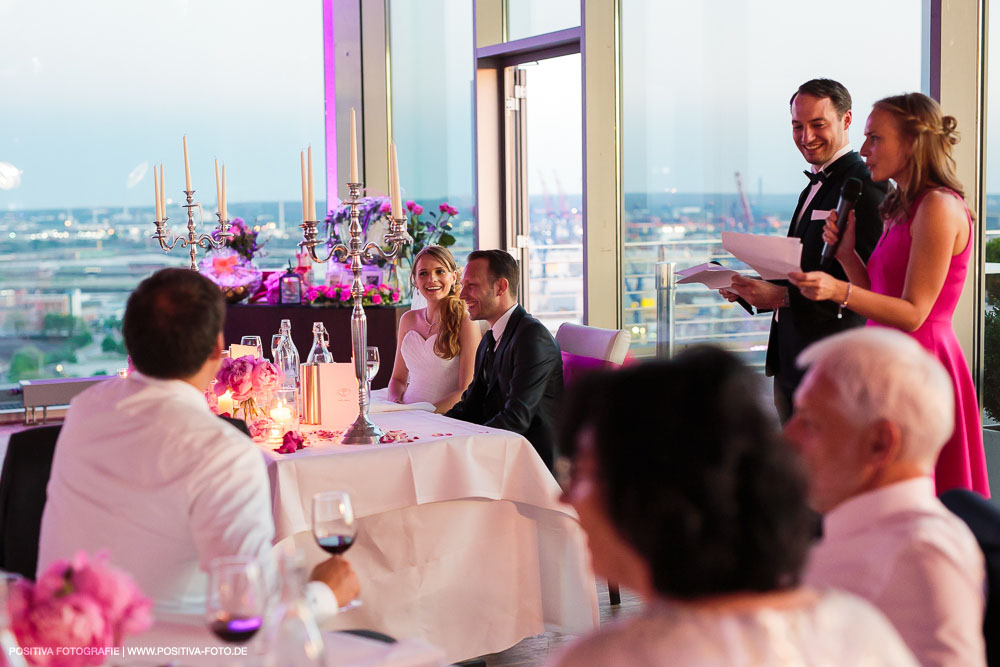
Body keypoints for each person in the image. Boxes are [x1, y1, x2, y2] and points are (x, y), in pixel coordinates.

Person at [549, 348, 918, 666]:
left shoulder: (609, 658)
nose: (562, 497)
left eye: (580, 472)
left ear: (651, 494)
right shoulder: (859, 627)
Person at [37, 268, 360, 617]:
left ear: (130, 342)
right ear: (218, 348)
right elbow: (252, 614)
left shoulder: (85, 409)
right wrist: (325, 594)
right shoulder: (224, 454)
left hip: (61, 642)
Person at [789, 92, 989, 496]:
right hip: (891, 357)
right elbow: (878, 297)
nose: (863, 150)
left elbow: (914, 313)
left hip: (923, 361)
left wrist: (835, 288)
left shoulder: (938, 207)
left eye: (874, 138)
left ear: (913, 143)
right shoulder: (904, 205)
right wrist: (846, 257)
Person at [786, 328, 986, 666]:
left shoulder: (919, 555)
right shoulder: (894, 540)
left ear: (879, 443)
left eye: (810, 423)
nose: (787, 438)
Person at [723, 79, 886, 421]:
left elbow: (866, 286)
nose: (806, 136)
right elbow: (809, 268)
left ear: (847, 120)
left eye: (818, 124)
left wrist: (782, 298)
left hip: (833, 361)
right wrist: (752, 286)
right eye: (798, 126)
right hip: (793, 357)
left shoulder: (864, 185)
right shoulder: (814, 184)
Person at [444, 249, 562, 469]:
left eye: (471, 286)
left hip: (532, 463)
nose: (461, 295)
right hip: (500, 449)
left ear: (501, 287)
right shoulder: (490, 338)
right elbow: (470, 405)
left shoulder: (532, 338)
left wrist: (463, 447)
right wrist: (434, 431)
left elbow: (516, 419)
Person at [386, 246, 481, 412]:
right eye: (423, 273)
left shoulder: (465, 321)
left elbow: (466, 390)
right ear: (415, 280)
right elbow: (398, 379)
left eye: (440, 271)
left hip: (446, 415)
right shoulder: (408, 319)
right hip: (407, 413)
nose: (432, 279)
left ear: (454, 277)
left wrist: (427, 413)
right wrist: (396, 404)